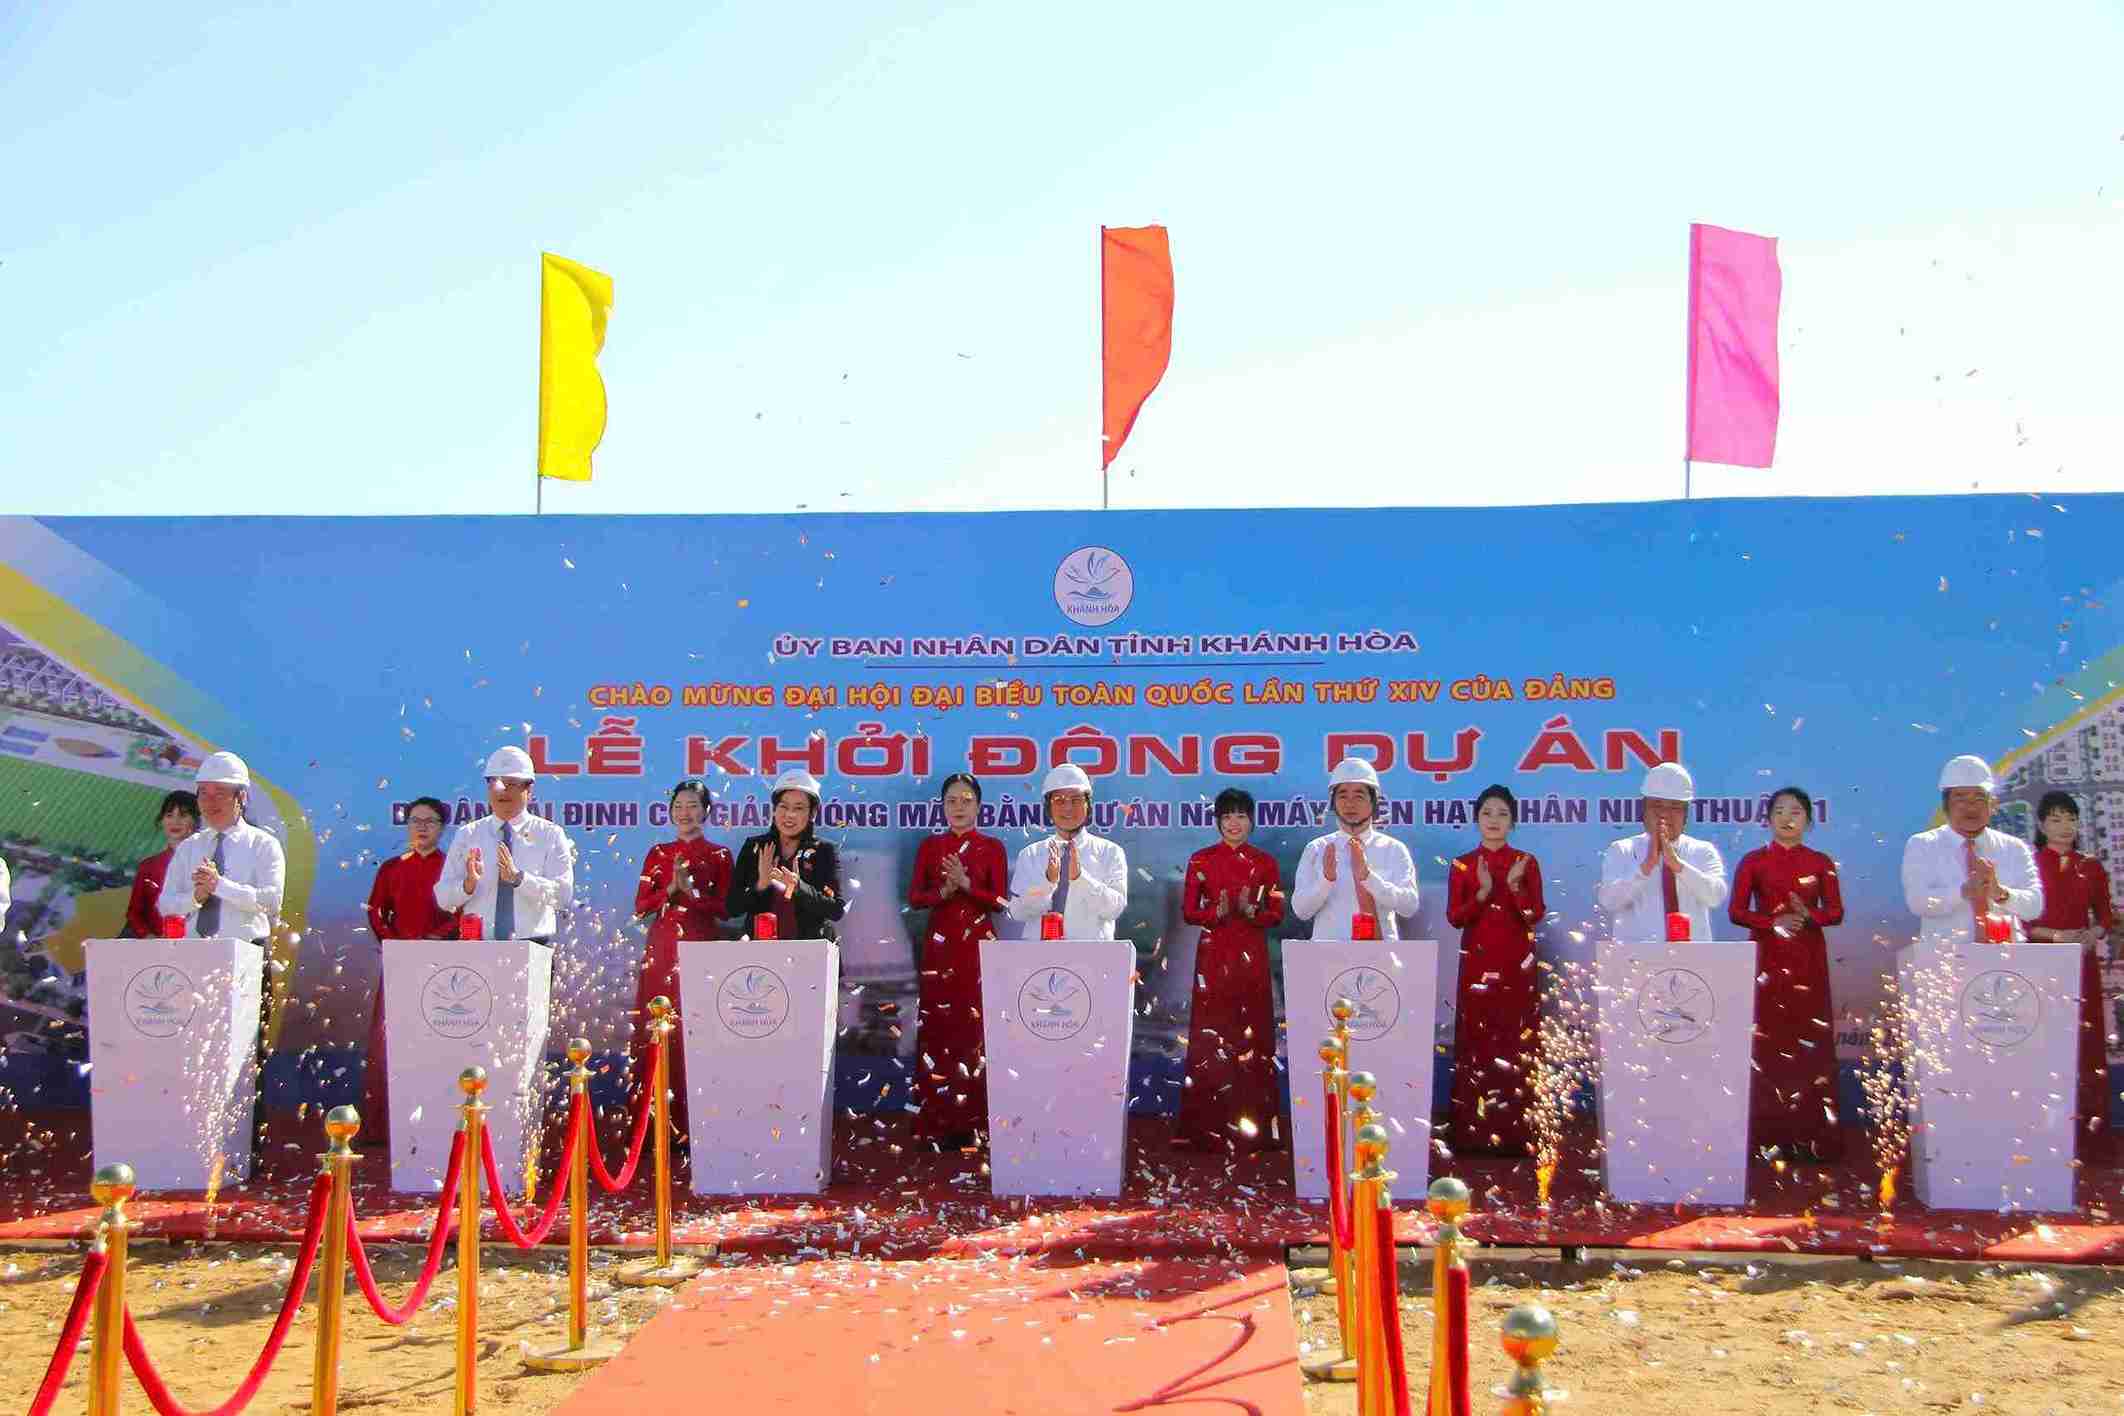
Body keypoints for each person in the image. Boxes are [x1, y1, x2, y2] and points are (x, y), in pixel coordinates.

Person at [156, 751, 288, 1143]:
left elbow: (271, 901)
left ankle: (246, 1148)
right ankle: (191, 1140)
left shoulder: (263, 845)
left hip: (247, 954)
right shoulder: (190, 848)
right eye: (204, 793)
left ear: (241, 797)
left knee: (246, 1053)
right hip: (196, 958)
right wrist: (195, 898)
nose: (210, 802)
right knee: (193, 1050)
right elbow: (166, 904)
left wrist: (221, 887)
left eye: (220, 793)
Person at [1729, 786, 1846, 1161]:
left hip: (1808, 958)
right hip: (1768, 956)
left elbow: (1836, 912)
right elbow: (1736, 912)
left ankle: (1815, 1138)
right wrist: (1772, 922)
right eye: (1779, 811)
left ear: (1809, 820)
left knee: (1810, 1038)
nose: (1787, 818)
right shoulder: (1753, 861)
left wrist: (1810, 916)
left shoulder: (1821, 862)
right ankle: (1768, 1137)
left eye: (1796, 811)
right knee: (1769, 1038)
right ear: (1768, 819)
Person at [1175, 787, 1286, 1152]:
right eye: (1227, 817)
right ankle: (1205, 1129)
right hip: (1214, 955)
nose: (1234, 823)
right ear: (1217, 822)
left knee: (1254, 1033)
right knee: (1212, 1035)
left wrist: (1254, 913)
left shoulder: (1266, 862)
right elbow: (1189, 912)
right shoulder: (1201, 860)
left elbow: (1277, 912)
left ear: (1251, 821)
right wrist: (1215, 913)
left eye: (1240, 816)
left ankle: (1257, 1127)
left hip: (1252, 954)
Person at [905, 773, 1009, 1148]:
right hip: (940, 946)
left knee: (974, 1028)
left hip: (978, 947)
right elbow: (915, 898)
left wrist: (966, 886)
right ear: (942, 806)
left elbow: (1001, 902)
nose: (959, 807)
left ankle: (974, 1123)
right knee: (937, 1025)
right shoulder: (930, 846)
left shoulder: (992, 847)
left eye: (966, 800)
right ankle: (935, 1120)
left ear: (979, 806)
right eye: (951, 800)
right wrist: (943, 891)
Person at [1443, 784, 1544, 1156]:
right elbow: (1455, 917)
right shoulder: (1462, 864)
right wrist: (1483, 893)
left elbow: (1535, 915)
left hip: (1517, 964)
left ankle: (1517, 1132)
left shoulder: (1527, 862)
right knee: (1477, 1038)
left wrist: (1514, 886)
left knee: (1516, 1039)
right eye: (1487, 813)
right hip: (1478, 962)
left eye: (1502, 814)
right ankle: (1471, 1132)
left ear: (1513, 821)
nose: (1494, 820)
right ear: (1476, 819)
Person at [630, 779, 732, 1134]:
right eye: (678, 806)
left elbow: (727, 909)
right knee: (657, 1026)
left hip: (702, 944)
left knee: (697, 1027)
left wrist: (692, 895)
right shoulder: (657, 853)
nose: (684, 812)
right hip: (662, 947)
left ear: (706, 811)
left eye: (692, 805)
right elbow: (640, 906)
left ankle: (698, 1125)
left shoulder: (720, 855)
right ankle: (649, 1126)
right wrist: (671, 890)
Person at [362, 797, 460, 1146]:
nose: (421, 827)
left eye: (429, 821)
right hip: (399, 962)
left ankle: (436, 1122)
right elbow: (376, 911)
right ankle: (383, 1127)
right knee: (387, 1043)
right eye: (415, 820)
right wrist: (394, 941)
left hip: (439, 966)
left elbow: (461, 912)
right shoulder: (391, 868)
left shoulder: (451, 868)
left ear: (442, 828)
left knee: (437, 1041)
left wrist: (436, 937)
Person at [2026, 790, 2115, 1154]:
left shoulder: (2090, 866)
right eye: (2056, 819)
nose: (2065, 827)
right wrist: (2055, 935)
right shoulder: (2030, 865)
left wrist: (2095, 933)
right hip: (2042, 963)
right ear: (2041, 825)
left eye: (2071, 819)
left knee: (2087, 1042)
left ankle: (2092, 1137)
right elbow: (2021, 922)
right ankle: (2046, 1136)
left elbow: (2106, 914)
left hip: (2082, 964)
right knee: (2045, 1042)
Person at [436, 746, 578, 942]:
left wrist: (519, 879)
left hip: (533, 946)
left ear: (529, 790)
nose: (502, 790)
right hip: (478, 947)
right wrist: (467, 885)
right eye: (495, 782)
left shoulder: (550, 834)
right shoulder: (468, 834)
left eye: (511, 783)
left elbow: (562, 896)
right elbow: (443, 899)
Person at [1900, 754, 2042, 950]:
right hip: (1946, 956)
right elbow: (1918, 902)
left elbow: (2035, 906)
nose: (1971, 807)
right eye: (1960, 798)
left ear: (1993, 805)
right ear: (1945, 806)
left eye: (1979, 798)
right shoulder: (1923, 845)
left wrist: (2000, 893)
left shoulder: (2013, 848)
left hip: (2007, 956)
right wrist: (1963, 892)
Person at [1596, 762, 1727, 943]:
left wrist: (1678, 866)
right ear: (1644, 810)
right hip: (1636, 956)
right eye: (1657, 805)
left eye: (1674, 807)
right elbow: (1609, 901)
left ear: (1685, 814)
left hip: (1693, 956)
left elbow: (1715, 896)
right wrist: (1645, 867)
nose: (1664, 814)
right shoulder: (1622, 850)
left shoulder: (1702, 851)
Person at [1291, 758, 1421, 940]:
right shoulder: (1317, 849)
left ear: (1374, 802)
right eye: (1342, 796)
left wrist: (1369, 878)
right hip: (1328, 953)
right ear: (1333, 803)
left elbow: (1409, 906)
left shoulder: (1394, 849)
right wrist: (1326, 881)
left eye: (1359, 796)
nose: (1350, 804)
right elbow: (1301, 911)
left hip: (1382, 953)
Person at [1005, 764, 1130, 939]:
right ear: (1048, 807)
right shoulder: (1030, 854)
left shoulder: (1110, 852)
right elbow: (1017, 912)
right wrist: (1047, 884)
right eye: (1059, 801)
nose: (1068, 808)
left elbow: (1114, 909)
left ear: (1088, 805)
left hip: (1093, 953)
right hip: (1039, 954)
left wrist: (1081, 879)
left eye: (1076, 800)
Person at [727, 768, 847, 941]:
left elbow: (836, 910)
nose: (789, 815)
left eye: (799, 808)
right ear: (774, 810)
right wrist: (760, 885)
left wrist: (798, 887)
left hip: (811, 950)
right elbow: (732, 908)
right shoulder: (755, 847)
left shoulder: (824, 851)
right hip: (760, 951)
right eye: (783, 806)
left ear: (812, 813)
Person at [123, 790, 199, 938]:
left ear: (196, 821)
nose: (175, 822)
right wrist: (147, 936)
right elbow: (134, 913)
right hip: (155, 947)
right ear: (162, 820)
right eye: (169, 815)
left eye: (183, 815)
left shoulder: (207, 864)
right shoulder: (148, 866)